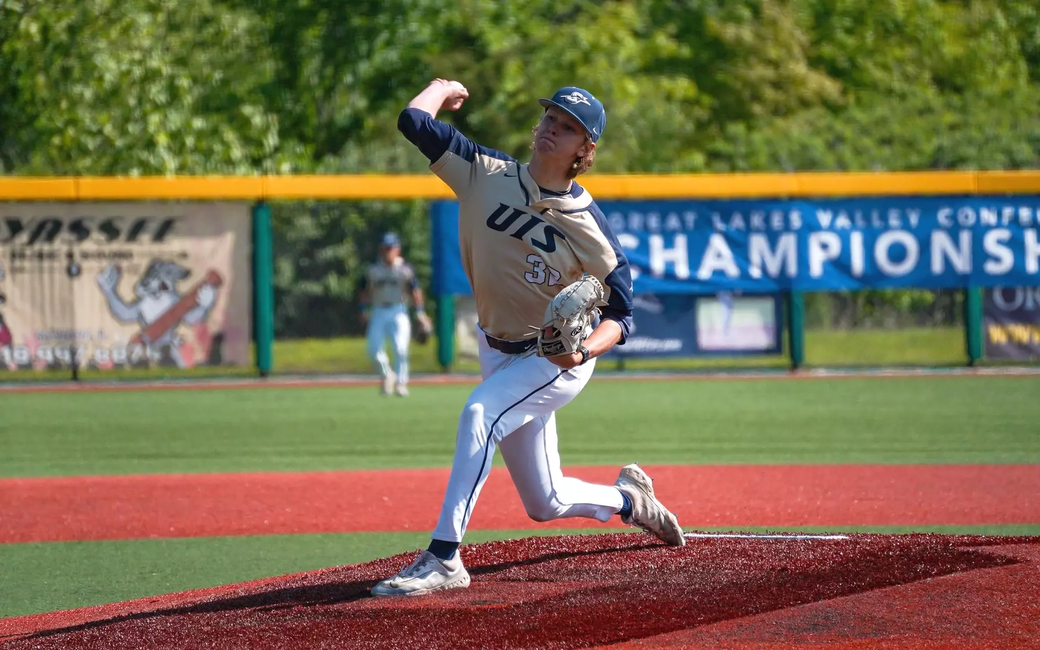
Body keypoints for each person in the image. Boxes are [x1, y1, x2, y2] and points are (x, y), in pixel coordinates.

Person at [371, 79, 686, 597]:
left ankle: (445, 558)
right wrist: (441, 88)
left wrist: (581, 351)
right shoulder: (482, 173)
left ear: (585, 150)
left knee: (480, 414)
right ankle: (629, 501)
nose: (552, 130)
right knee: (545, 501)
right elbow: (414, 122)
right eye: (550, 119)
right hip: (497, 350)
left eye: (567, 128)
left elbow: (622, 316)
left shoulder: (589, 225)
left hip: (555, 358)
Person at [358, 232, 427, 396]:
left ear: (397, 249)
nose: (388, 251)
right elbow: (363, 290)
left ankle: (401, 383)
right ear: (381, 250)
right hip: (378, 311)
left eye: (391, 248)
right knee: (374, 350)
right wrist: (362, 310)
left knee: (401, 348)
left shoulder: (404, 269)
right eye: (385, 248)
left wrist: (420, 313)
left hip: (399, 311)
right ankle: (387, 375)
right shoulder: (373, 270)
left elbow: (415, 291)